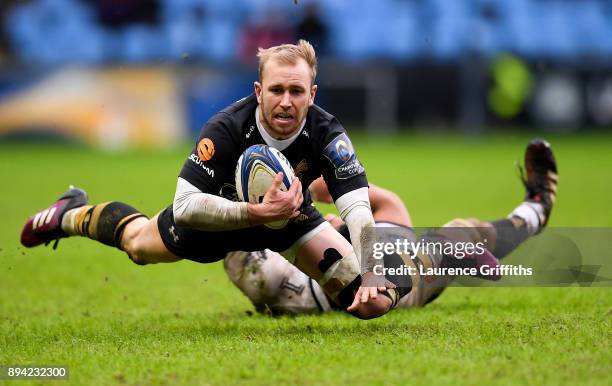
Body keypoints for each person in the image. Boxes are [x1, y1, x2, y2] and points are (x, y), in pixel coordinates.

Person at [20, 40, 394, 319]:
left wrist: (373, 269)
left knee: (374, 303)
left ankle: (347, 286)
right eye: (276, 90)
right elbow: (184, 207)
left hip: (290, 223)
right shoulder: (226, 128)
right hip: (214, 223)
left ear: (311, 95)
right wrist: (252, 213)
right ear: (258, 91)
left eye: (296, 91)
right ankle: (68, 214)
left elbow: (357, 205)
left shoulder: (327, 133)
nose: (285, 101)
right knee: (136, 246)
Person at [224, 139, 559, 314]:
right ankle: (521, 217)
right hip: (349, 275)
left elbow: (374, 204)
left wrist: (327, 220)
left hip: (361, 280)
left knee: (257, 270)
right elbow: (385, 204)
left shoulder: (316, 193)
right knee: (456, 233)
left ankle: (532, 211)